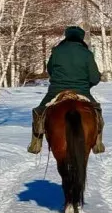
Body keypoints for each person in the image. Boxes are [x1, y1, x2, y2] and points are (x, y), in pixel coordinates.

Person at [28, 26, 104, 154]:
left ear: (66, 36)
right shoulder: (87, 54)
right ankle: (98, 144)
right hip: (82, 91)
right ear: (81, 38)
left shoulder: (56, 51)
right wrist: (86, 85)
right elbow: (95, 77)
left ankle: (36, 144)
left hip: (56, 91)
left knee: (39, 112)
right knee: (97, 112)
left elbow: (50, 70)